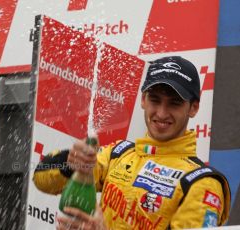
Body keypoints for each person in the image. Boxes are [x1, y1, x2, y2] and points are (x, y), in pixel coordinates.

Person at [33, 56, 231, 229]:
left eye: (174, 103)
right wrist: (71, 164)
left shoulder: (202, 183)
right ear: (143, 99)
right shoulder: (119, 153)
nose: (161, 113)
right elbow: (41, 179)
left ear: (193, 108)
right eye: (155, 100)